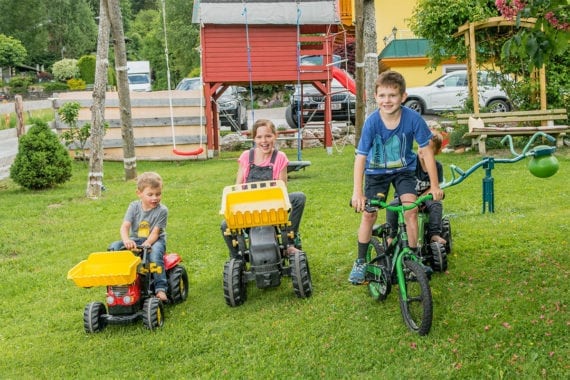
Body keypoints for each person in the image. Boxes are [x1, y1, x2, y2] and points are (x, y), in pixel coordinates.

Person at [349, 71, 444, 285]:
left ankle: (413, 256)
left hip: (404, 170)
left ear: (403, 97)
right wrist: (358, 192)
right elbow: (361, 157)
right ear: (375, 97)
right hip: (376, 172)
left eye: (392, 95)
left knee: (410, 209)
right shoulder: (372, 122)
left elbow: (427, 151)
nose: (387, 100)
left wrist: (435, 186)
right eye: (382, 96)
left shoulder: (413, 119)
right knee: (369, 214)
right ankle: (360, 261)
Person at [221, 118, 306, 257]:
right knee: (225, 225)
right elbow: (238, 186)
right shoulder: (246, 156)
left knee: (299, 198)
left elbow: (282, 189)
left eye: (268, 136)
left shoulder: (280, 157)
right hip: (248, 210)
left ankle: (289, 243)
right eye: (259, 137)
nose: (264, 141)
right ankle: (237, 257)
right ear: (254, 139)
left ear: (275, 136)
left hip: (272, 210)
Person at [108, 172, 169, 302]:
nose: (155, 198)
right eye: (150, 194)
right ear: (139, 193)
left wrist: (148, 243)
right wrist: (126, 240)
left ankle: (160, 288)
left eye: (158, 194)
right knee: (114, 247)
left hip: (155, 240)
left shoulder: (162, 210)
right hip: (135, 239)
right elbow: (125, 227)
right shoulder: (134, 207)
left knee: (154, 256)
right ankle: (117, 283)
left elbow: (156, 232)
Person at [385, 129, 446, 246]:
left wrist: (421, 198)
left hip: (425, 198)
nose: (422, 151)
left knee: (436, 205)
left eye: (428, 148)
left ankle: (434, 234)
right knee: (391, 206)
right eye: (420, 147)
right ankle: (391, 235)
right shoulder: (411, 163)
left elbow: (435, 186)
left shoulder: (437, 167)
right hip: (406, 196)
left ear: (436, 151)